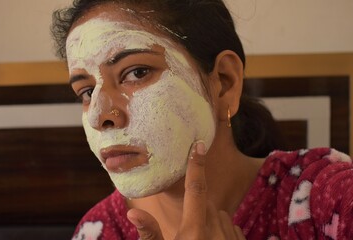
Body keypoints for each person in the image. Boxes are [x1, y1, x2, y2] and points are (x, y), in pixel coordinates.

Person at [51, 0, 353, 239]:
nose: (99, 116)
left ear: (224, 82)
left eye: (137, 72)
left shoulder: (328, 198)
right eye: (87, 91)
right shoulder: (97, 231)